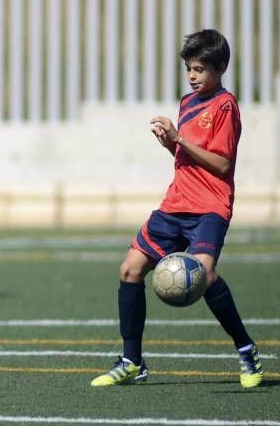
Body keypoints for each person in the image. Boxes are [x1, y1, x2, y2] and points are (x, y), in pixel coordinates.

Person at [90, 29, 263, 388]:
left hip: (210, 208)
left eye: (199, 68)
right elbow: (188, 157)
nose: (192, 76)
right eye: (189, 68)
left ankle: (246, 350)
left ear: (221, 67)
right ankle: (131, 360)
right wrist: (171, 144)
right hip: (175, 203)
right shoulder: (187, 103)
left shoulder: (225, 106)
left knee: (205, 274)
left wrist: (180, 138)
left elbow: (222, 165)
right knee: (130, 269)